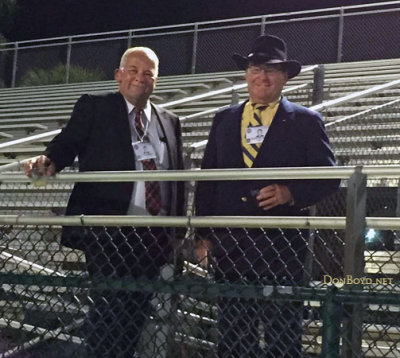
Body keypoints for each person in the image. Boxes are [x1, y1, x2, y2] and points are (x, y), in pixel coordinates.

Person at [25, 47, 184, 358]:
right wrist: (49, 160)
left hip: (153, 234)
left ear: (157, 80)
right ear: (118, 75)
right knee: (109, 310)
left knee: (136, 312)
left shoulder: (170, 121)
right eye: (133, 70)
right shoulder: (95, 107)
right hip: (108, 230)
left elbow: (179, 178)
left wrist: (177, 230)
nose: (140, 78)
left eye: (148, 73)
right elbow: (67, 143)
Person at [195, 34, 340, 357]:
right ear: (246, 73)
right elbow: (207, 179)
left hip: (282, 247)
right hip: (231, 246)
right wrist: (202, 234)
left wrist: (291, 192)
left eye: (272, 70)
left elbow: (330, 177)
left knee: (282, 335)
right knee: (233, 333)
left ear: (285, 77)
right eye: (256, 68)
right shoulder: (223, 119)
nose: (263, 76)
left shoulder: (306, 121)